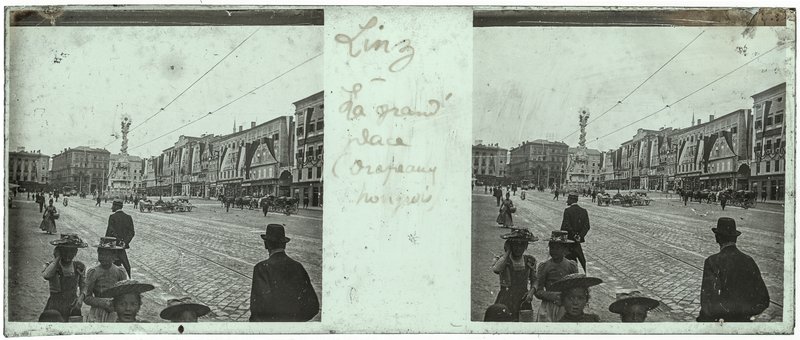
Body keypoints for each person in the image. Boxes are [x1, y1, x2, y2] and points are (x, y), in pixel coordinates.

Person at [697, 217, 770, 322]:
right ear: (735, 238)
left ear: (717, 238)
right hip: (744, 323)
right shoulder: (749, 260)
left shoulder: (712, 261)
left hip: (721, 324)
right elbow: (763, 300)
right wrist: (744, 314)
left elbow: (708, 303)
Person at [250, 224, 319, 322]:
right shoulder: (298, 266)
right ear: (284, 244)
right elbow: (313, 307)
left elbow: (258, 310)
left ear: (266, 244)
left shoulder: (261, 268)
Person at [490, 228, 538, 321]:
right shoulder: (503, 260)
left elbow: (535, 280)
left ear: (526, 246)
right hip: (506, 298)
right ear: (510, 245)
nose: (518, 248)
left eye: (522, 245)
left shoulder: (529, 260)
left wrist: (531, 292)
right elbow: (496, 270)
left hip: (523, 300)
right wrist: (507, 252)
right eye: (515, 244)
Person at [534, 231, 580, 322]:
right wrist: (552, 296)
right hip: (549, 307)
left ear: (565, 250)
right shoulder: (545, 266)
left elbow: (577, 286)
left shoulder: (571, 265)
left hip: (567, 306)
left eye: (558, 248)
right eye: (552, 248)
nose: (554, 251)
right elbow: (538, 291)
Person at [42, 234, 88, 322]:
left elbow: (84, 285)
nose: (68, 254)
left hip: (73, 306)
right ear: (59, 251)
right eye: (64, 250)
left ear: (76, 252)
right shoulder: (51, 266)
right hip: (55, 306)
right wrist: (57, 259)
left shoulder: (79, 266)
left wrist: (81, 298)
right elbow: (46, 276)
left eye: (71, 251)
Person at [83, 237, 129, 322]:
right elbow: (86, 297)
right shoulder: (94, 272)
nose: (103, 257)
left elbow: (124, 294)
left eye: (106, 255)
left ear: (114, 256)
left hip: (115, 311)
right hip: (98, 312)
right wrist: (103, 303)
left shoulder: (119, 272)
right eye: (100, 254)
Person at [560, 192, 590, 273]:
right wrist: (579, 236)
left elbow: (566, 226)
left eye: (568, 199)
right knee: (580, 260)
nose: (567, 201)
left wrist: (573, 235)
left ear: (571, 199)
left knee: (566, 261)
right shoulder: (584, 211)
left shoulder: (567, 211)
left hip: (568, 242)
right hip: (577, 243)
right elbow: (587, 226)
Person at [105, 199, 135, 278]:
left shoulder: (112, 217)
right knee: (126, 265)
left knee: (111, 265)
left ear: (116, 206)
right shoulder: (128, 217)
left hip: (113, 247)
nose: (112, 207)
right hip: (122, 247)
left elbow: (110, 232)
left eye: (113, 206)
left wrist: (106, 244)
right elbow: (131, 232)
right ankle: (129, 278)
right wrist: (124, 242)